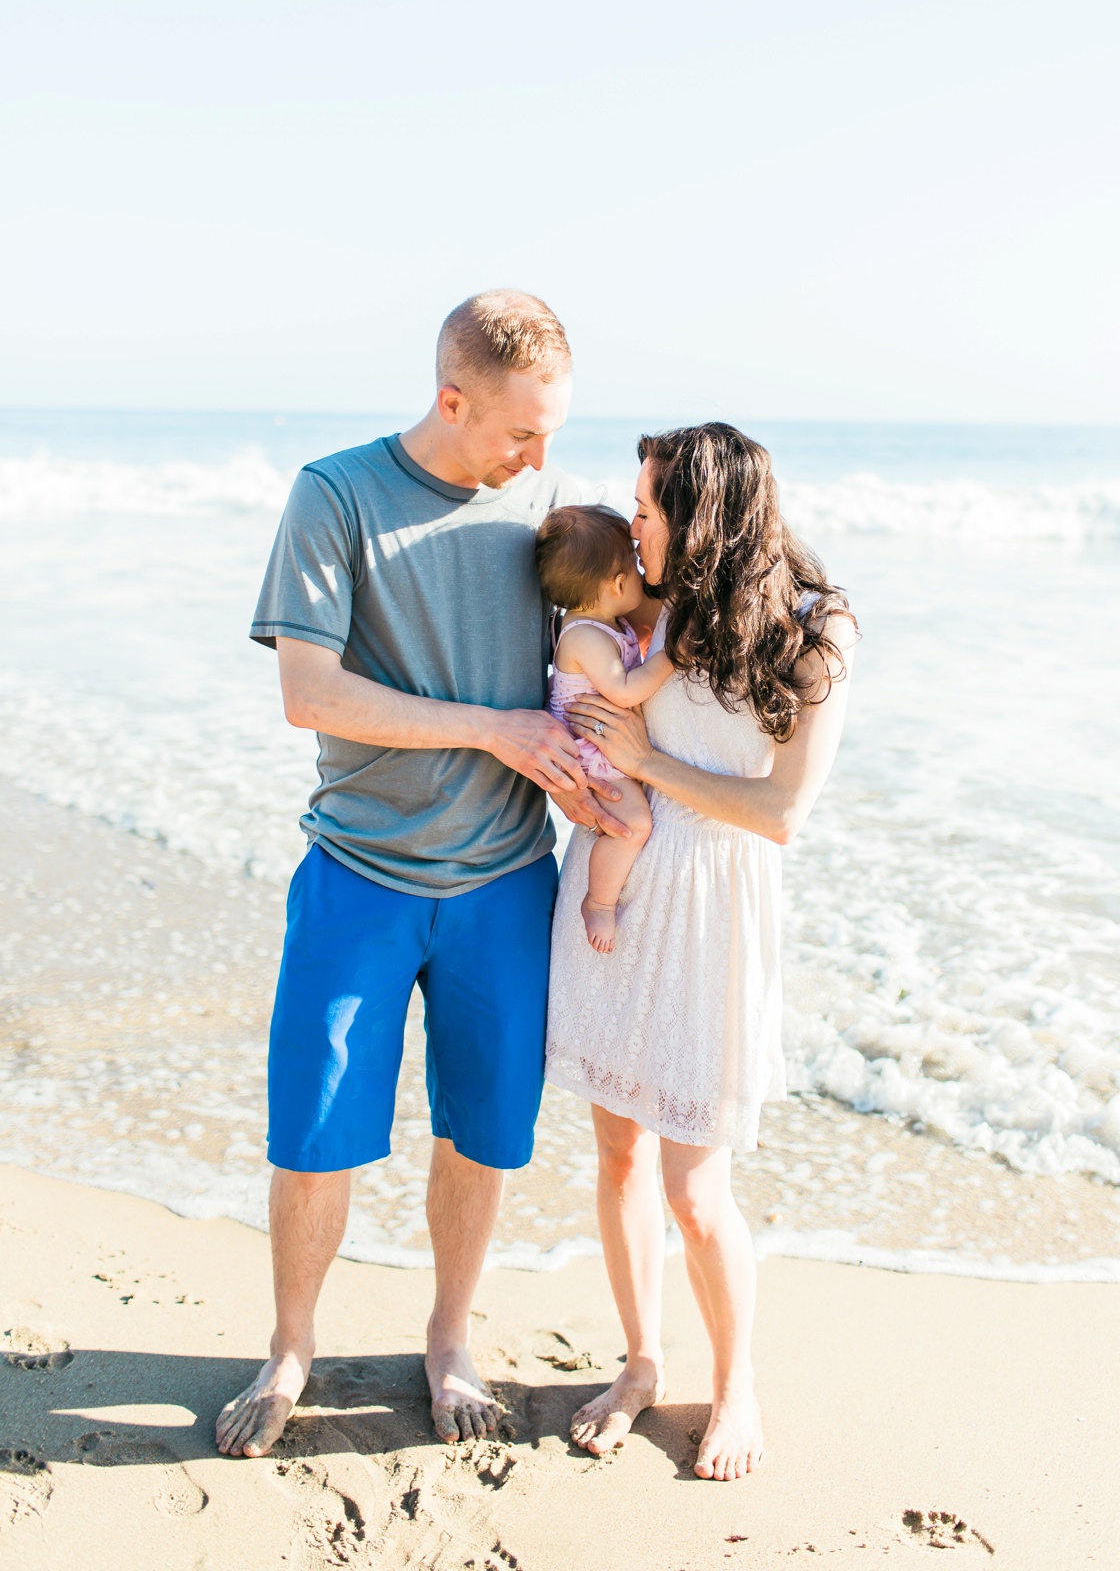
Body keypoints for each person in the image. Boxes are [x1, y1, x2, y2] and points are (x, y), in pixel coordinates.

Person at [216, 290, 631, 1459]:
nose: (541, 459)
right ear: (451, 400)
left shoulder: (549, 504)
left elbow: (622, 644)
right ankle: (291, 1344)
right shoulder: (335, 496)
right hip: (360, 872)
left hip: (508, 881)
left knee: (484, 1131)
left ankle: (450, 1336)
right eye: (518, 432)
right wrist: (493, 731)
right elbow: (312, 693)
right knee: (314, 1130)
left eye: (553, 431)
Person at [545, 423, 856, 1482]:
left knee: (696, 1187)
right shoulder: (649, 605)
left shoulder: (817, 632)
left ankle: (736, 1387)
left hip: (716, 914)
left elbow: (780, 814)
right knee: (620, 1153)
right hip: (617, 896)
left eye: (647, 509)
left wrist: (645, 763)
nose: (633, 526)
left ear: (702, 517)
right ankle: (640, 1361)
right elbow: (578, 705)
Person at [536, 504, 675, 951]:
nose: (641, 574)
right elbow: (623, 691)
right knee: (633, 825)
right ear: (618, 584)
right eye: (635, 568)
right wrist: (671, 657)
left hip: (600, 741)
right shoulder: (585, 636)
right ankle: (599, 901)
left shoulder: (604, 624)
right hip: (590, 752)